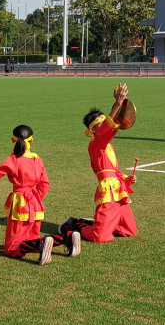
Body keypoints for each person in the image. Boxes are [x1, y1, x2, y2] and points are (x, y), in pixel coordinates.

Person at [59, 84, 138, 245]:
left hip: (118, 189)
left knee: (129, 230)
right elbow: (108, 128)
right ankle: (75, 224)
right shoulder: (96, 143)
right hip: (107, 192)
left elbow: (113, 171)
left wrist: (126, 179)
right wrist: (117, 104)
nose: (105, 124)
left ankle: (100, 222)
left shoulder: (107, 144)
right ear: (93, 130)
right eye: (100, 123)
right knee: (100, 237)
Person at [0, 125, 58, 265]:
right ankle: (67, 238)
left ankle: (43, 243)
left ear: (13, 140)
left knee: (11, 247)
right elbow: (45, 184)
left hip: (19, 205)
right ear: (31, 141)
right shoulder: (37, 160)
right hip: (35, 205)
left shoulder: (13, 159)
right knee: (30, 239)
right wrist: (34, 200)